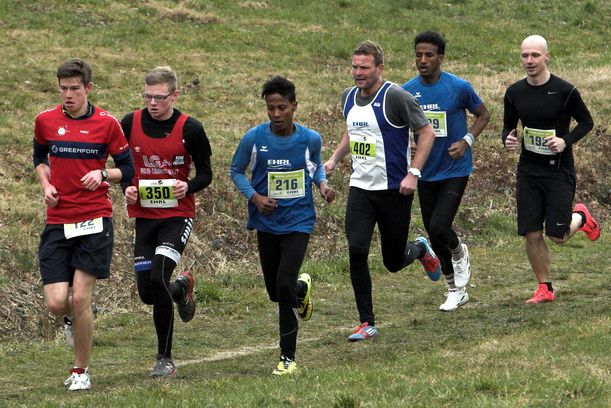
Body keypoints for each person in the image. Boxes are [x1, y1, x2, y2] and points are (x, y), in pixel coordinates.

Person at [324, 41, 440, 341]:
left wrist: (414, 173)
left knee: (392, 262)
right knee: (357, 249)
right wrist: (335, 159)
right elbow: (353, 131)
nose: (358, 72)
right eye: (354, 66)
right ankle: (367, 321)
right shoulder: (348, 97)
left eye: (364, 67)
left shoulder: (395, 97)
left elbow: (426, 132)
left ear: (379, 68)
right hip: (361, 189)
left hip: (394, 191)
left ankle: (419, 249)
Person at [33, 58, 134, 390]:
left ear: (88, 88)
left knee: (80, 298)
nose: (68, 95)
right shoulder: (45, 121)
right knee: (56, 302)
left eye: (74, 89)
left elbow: (128, 169)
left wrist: (103, 174)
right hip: (58, 220)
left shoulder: (107, 124)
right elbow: (39, 158)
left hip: (94, 219)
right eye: (63, 88)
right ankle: (74, 319)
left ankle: (80, 371)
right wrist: (46, 185)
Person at [230, 76, 334, 375]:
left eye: (282, 108)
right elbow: (236, 171)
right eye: (271, 108)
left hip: (299, 221)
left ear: (294, 106)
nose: (276, 114)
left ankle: (287, 358)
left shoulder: (310, 139)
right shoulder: (254, 139)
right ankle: (301, 290)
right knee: (277, 292)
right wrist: (256, 197)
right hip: (267, 222)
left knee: (283, 284)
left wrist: (323, 186)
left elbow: (315, 167)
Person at [121, 66, 212, 377]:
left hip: (177, 215)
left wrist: (188, 186)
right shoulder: (130, 123)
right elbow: (122, 165)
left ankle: (165, 358)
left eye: (159, 97)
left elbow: (206, 174)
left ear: (174, 95)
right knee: (148, 292)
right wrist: (127, 188)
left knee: (158, 279)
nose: (152, 103)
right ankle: (181, 288)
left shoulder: (191, 128)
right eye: (147, 96)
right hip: (145, 218)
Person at [502, 35, 599, 304]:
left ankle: (581, 216)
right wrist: (507, 138)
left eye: (535, 55)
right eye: (525, 55)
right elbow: (508, 126)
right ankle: (545, 287)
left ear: (547, 56)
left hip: (558, 170)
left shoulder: (565, 91)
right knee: (531, 232)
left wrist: (564, 141)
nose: (529, 60)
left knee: (558, 236)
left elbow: (587, 122)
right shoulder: (514, 92)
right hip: (528, 170)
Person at [402, 31, 490, 311]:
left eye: (429, 55)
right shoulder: (406, 91)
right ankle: (454, 290)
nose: (422, 60)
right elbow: (400, 127)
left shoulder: (458, 87)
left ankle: (459, 251)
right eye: (418, 55)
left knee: (440, 226)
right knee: (433, 232)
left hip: (454, 169)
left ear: (440, 57)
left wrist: (466, 141)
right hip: (425, 171)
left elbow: (483, 115)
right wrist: (409, 147)